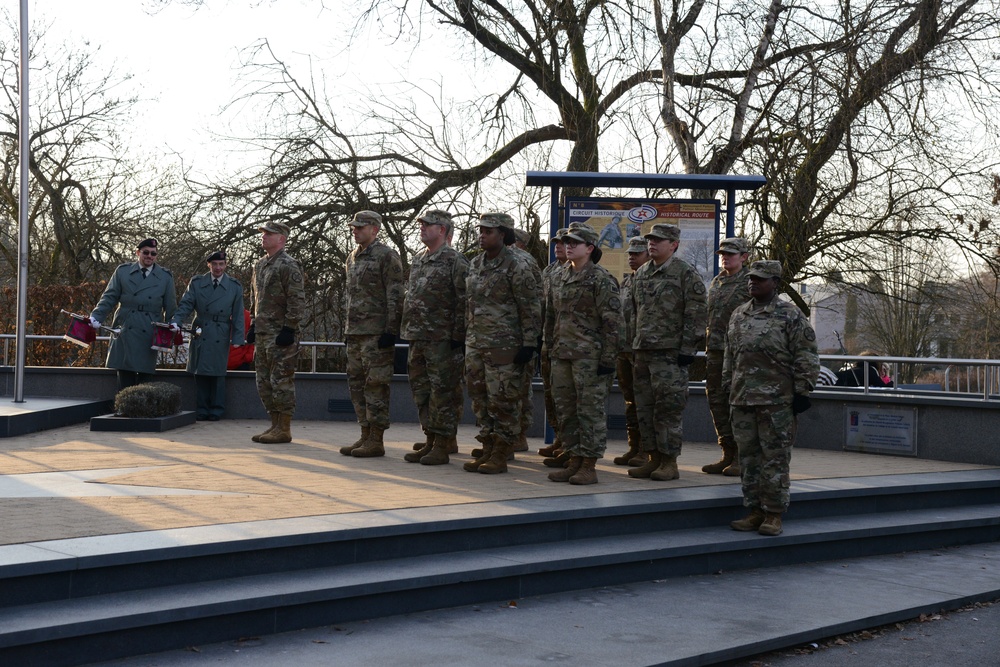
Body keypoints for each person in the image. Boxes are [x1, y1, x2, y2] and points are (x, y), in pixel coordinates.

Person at [723, 260, 820, 536]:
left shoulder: (790, 315)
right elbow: (731, 355)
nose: (753, 282)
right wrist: (726, 385)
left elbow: (807, 355)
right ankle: (754, 510)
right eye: (751, 278)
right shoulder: (738, 314)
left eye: (761, 279)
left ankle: (774, 514)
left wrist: (803, 391)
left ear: (775, 283)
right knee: (749, 459)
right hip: (742, 399)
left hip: (776, 401)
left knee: (774, 459)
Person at [628, 223, 708, 482]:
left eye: (659, 240)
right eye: (651, 239)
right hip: (643, 353)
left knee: (668, 410)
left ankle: (669, 461)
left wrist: (688, 348)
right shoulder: (641, 274)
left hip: (670, 355)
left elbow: (696, 313)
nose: (652, 243)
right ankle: (652, 458)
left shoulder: (685, 273)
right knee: (645, 408)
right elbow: (633, 313)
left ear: (673, 245)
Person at [463, 212, 542, 474]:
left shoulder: (517, 264)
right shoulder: (476, 263)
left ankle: (501, 450)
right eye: (481, 231)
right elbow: (472, 304)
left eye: (488, 232)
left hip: (505, 345)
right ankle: (487, 446)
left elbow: (530, 306)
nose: (482, 236)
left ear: (503, 235)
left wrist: (530, 343)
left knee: (503, 400)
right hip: (477, 342)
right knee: (480, 398)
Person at [543, 223, 621, 485]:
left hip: (590, 356)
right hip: (562, 353)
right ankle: (573, 458)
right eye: (566, 242)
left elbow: (612, 322)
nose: (568, 246)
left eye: (574, 243)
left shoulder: (601, 279)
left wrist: (609, 359)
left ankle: (589, 465)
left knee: (589, 411)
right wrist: (549, 347)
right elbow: (551, 315)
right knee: (566, 410)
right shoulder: (559, 276)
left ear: (589, 248)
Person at [400, 209, 469, 465]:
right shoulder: (419, 259)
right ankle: (430, 438)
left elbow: (464, 299)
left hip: (443, 339)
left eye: (428, 225)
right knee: (421, 390)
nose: (422, 228)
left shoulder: (455, 260)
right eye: (421, 225)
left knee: (443, 392)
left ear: (442, 230)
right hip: (418, 336)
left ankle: (442, 443)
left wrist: (458, 335)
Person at [339, 210, 404, 458]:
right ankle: (365, 434)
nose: (354, 231)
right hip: (355, 332)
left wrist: (391, 330)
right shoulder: (352, 258)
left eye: (360, 227)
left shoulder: (387, 256)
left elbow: (395, 293)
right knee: (356, 384)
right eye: (353, 227)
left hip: (377, 334)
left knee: (375, 385)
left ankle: (376, 439)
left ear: (374, 229)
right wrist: (348, 329)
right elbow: (351, 297)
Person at [90, 238, 176, 391]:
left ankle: (142, 411)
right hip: (126, 326)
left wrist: (174, 328)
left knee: (145, 374)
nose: (149, 256)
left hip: (150, 329)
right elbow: (109, 297)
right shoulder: (123, 271)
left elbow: (171, 307)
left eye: (153, 253)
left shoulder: (165, 277)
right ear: (138, 253)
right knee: (125, 373)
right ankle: (124, 409)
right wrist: (96, 316)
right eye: (146, 253)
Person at [169, 251, 245, 421]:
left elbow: (238, 314)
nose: (218, 268)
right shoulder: (197, 283)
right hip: (201, 329)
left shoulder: (234, 286)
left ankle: (217, 410)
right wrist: (177, 321)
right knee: (200, 372)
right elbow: (186, 304)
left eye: (221, 264)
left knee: (218, 373)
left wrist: (239, 338)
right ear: (208, 265)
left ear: (225, 265)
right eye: (215, 264)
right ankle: (202, 409)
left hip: (221, 331)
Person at [248, 222, 306, 444]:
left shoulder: (289, 265)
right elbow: (255, 298)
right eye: (263, 234)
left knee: (281, 381)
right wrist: (253, 324)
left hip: (281, 333)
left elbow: (296, 299)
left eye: (269, 234)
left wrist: (290, 328)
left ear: (281, 239)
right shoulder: (260, 265)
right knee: (264, 382)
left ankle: (284, 428)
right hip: (263, 332)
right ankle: (274, 424)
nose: (264, 237)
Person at [703, 237, 751, 476]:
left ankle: (742, 457)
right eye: (723, 253)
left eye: (731, 253)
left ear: (744, 256)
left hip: (738, 354)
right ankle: (728, 453)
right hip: (715, 350)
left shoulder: (750, 283)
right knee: (717, 402)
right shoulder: (717, 281)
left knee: (737, 403)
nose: (725, 257)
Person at [611, 237, 650, 466]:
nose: (632, 258)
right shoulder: (626, 283)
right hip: (624, 350)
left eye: (637, 254)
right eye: (630, 254)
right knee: (630, 402)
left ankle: (646, 450)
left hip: (642, 350)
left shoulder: (650, 282)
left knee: (644, 401)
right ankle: (633, 447)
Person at [537, 228, 569, 460]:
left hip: (570, 345)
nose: (558, 246)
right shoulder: (548, 271)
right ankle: (559, 437)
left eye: (563, 243)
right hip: (549, 342)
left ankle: (570, 443)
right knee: (551, 394)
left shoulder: (583, 273)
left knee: (568, 398)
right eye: (555, 242)